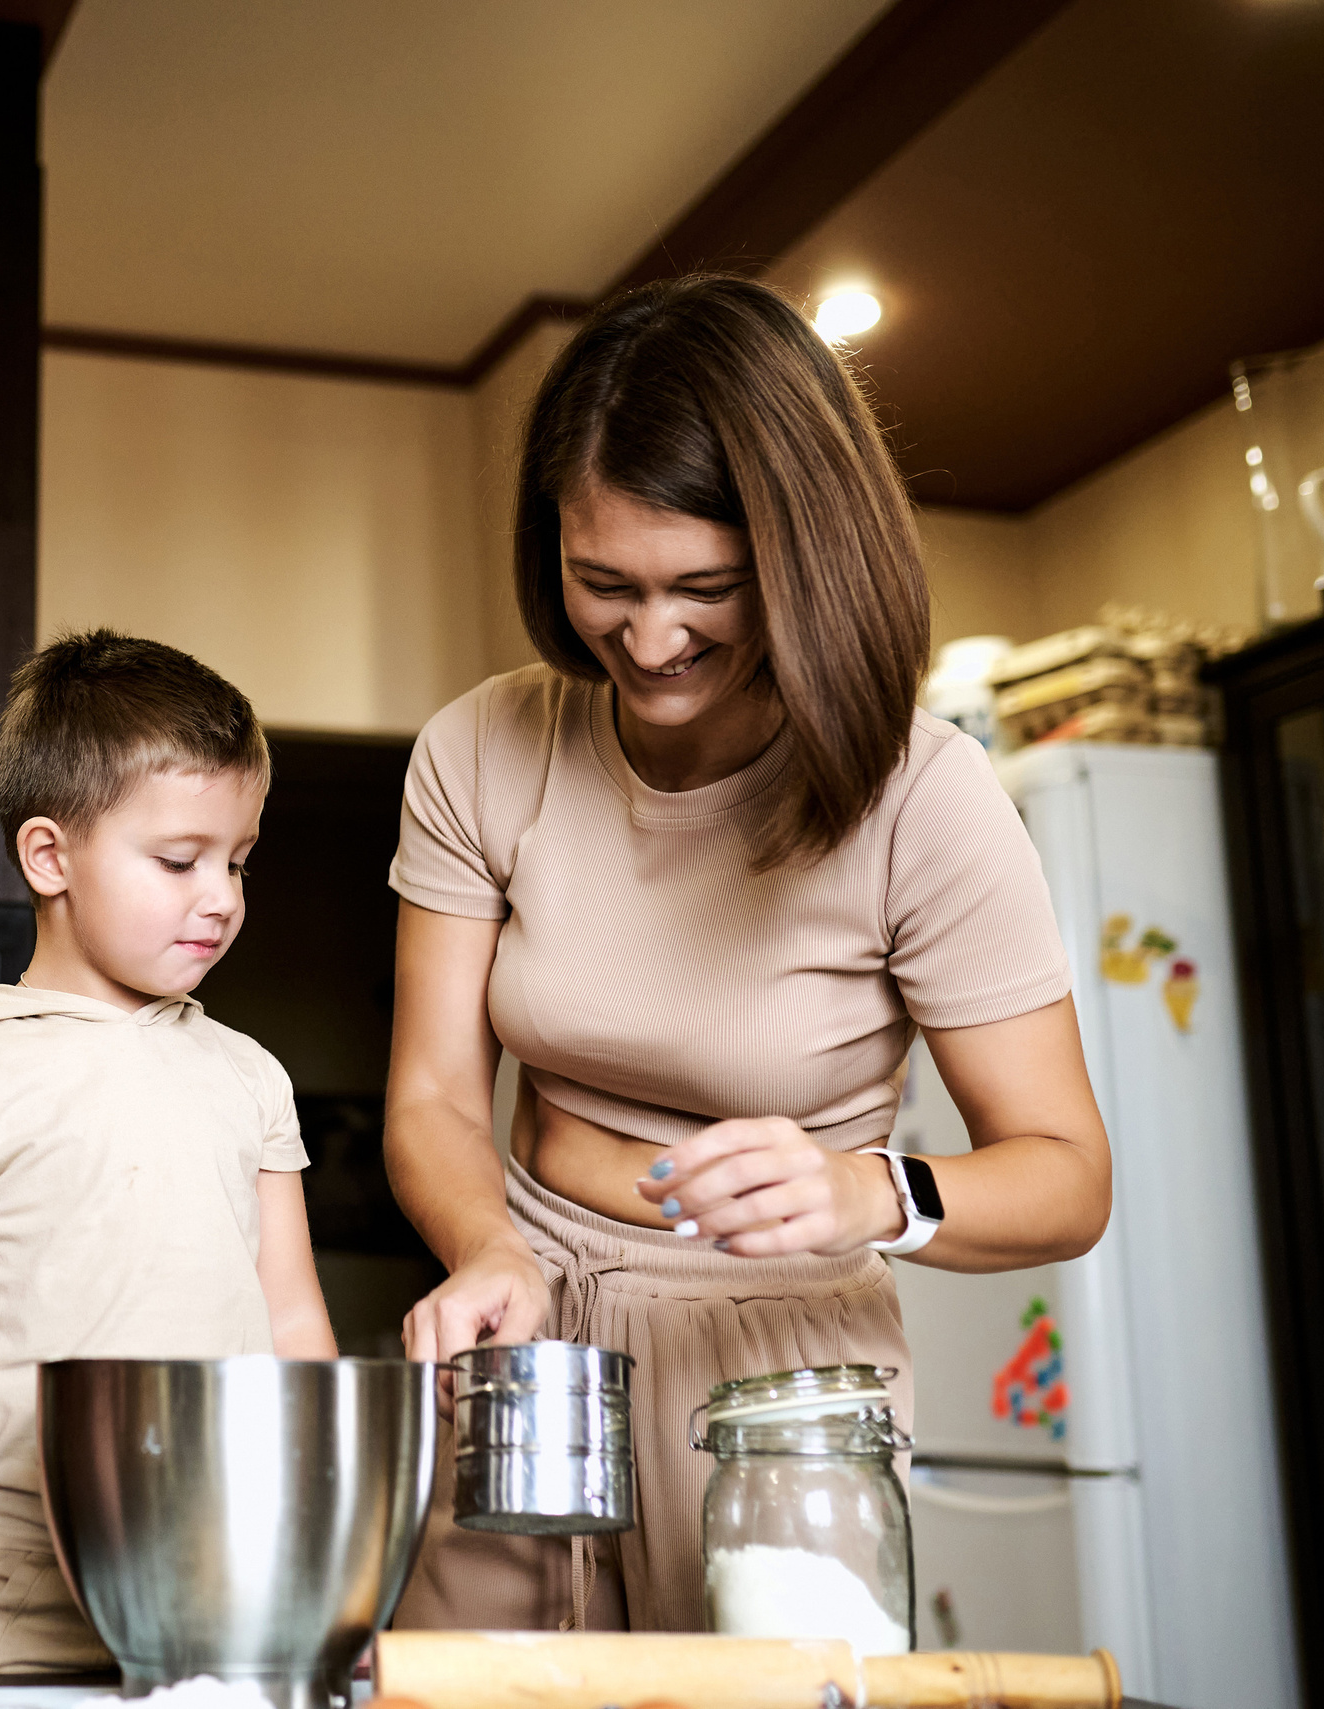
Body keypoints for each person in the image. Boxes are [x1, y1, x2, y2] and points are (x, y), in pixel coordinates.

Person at [383, 276, 1112, 1634]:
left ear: (801, 557)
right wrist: (486, 1247)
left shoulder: (923, 796)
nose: (650, 641)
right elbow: (431, 1095)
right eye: (603, 584)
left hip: (790, 1387)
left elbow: (1068, 1177)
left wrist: (864, 1192)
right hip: (532, 1339)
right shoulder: (482, 751)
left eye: (704, 590)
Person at [0, 630, 340, 1675]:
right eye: (178, 859)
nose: (221, 895)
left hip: (228, 1572)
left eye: (237, 861)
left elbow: (289, 1309)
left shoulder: (249, 1073)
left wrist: (318, 1528)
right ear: (49, 856)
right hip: (17, 1584)